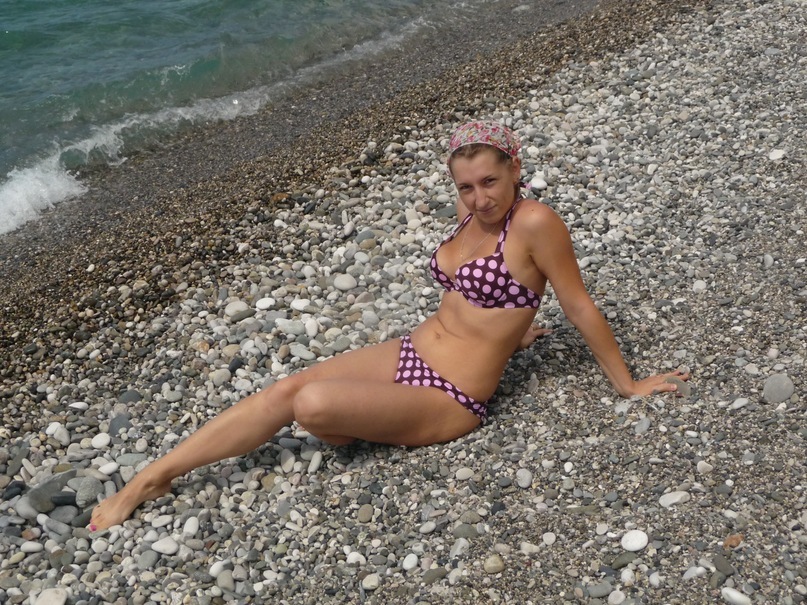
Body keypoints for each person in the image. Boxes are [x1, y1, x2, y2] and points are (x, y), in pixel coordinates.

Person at [89, 120, 688, 530]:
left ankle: (347, 425)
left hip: (451, 397)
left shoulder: (534, 221)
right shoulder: (472, 214)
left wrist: (628, 385)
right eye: (466, 187)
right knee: (286, 390)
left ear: (515, 169)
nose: (479, 198)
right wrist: (515, 330)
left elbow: (577, 304)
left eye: (490, 182)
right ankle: (152, 478)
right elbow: (487, 297)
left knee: (311, 405)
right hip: (410, 351)